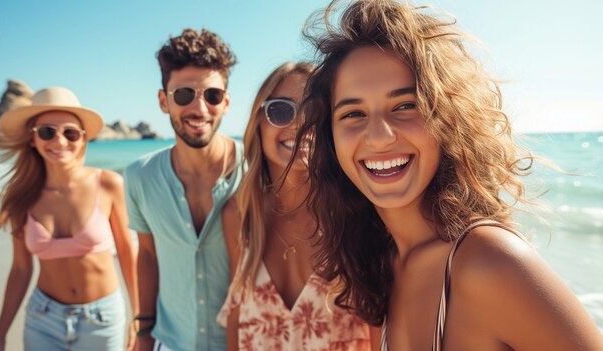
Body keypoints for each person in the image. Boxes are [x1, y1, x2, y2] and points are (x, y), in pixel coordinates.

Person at [293, 1, 603, 350]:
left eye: (406, 105)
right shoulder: (381, 267)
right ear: (330, 139)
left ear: (446, 118)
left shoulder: (487, 261)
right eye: (353, 113)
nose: (379, 136)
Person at [216, 62, 376, 350]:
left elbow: (381, 328)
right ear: (259, 122)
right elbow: (236, 315)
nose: (300, 124)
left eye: (314, 111)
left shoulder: (359, 214)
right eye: (280, 110)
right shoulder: (239, 215)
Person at [0, 87, 139, 351]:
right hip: (43, 319)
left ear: (83, 139)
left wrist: (138, 318)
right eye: (47, 132)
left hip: (103, 320)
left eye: (70, 133)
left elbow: (128, 253)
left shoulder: (108, 185)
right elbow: (21, 269)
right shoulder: (21, 196)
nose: (59, 141)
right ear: (33, 139)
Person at [124, 28, 242, 351]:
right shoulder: (139, 177)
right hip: (170, 342)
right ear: (164, 101)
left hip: (245, 342)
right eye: (184, 95)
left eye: (212, 95)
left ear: (227, 102)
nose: (200, 109)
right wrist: (143, 334)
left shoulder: (257, 170)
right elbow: (147, 256)